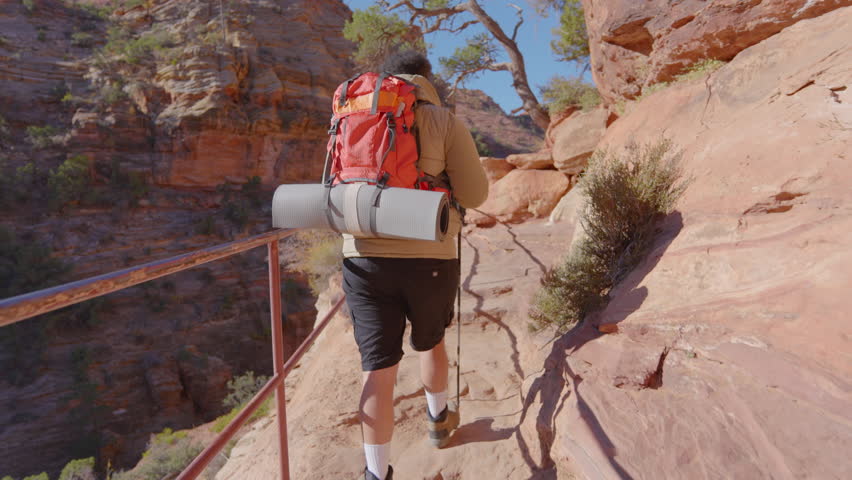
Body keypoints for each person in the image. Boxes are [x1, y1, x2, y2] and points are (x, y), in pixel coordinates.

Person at [340, 51, 489, 480]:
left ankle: (375, 472)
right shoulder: (442, 120)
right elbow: (475, 194)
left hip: (362, 256)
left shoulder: (351, 116)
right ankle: (439, 422)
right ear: (426, 79)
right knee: (431, 341)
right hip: (430, 256)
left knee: (377, 368)